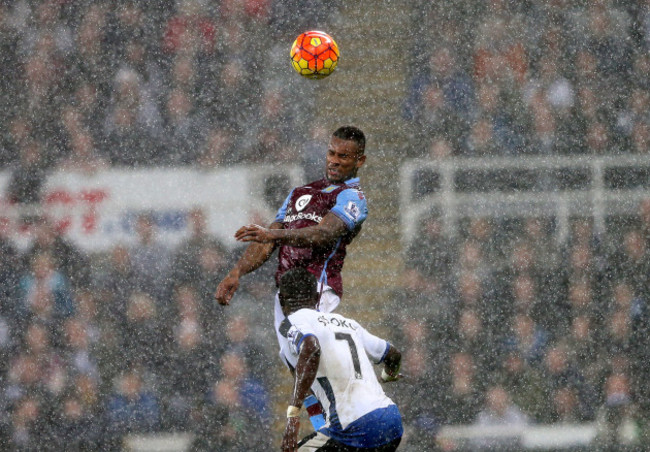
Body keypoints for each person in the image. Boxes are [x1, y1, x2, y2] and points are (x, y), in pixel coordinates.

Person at [215, 125, 368, 341]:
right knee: (294, 361)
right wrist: (237, 271)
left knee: (308, 351)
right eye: (331, 153)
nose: (334, 161)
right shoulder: (300, 192)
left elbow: (324, 233)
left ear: (359, 161)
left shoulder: (353, 197)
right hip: (286, 291)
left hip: (317, 287)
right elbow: (266, 239)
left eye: (343, 156)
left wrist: (273, 235)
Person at [277, 268, 403, 452]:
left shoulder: (290, 324)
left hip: (353, 428)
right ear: (317, 296)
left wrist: (293, 416)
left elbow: (311, 349)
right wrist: (387, 376)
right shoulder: (348, 323)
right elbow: (393, 354)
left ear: (282, 301)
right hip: (391, 423)